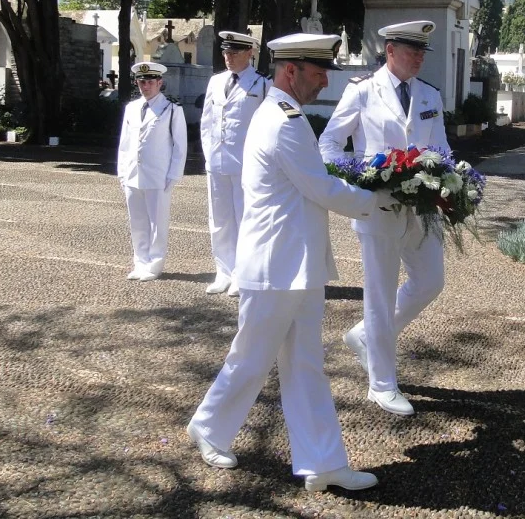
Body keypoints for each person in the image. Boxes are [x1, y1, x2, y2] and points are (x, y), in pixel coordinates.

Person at [187, 33, 386, 492]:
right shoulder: (283, 120)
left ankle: (323, 463)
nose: (323, 83)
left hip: (294, 264)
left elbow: (312, 185)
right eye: (318, 74)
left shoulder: (284, 114)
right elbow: (320, 187)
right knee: (252, 357)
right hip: (277, 265)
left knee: (304, 364)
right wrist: (380, 200)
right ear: (290, 71)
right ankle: (210, 425)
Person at [318, 20, 451, 417]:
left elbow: (440, 146)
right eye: (412, 50)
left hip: (422, 206)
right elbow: (329, 144)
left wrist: (450, 182)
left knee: (430, 281)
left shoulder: (429, 94)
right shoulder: (362, 91)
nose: (419, 58)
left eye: (423, 51)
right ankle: (382, 384)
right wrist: (358, 180)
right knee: (378, 295)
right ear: (390, 50)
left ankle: (364, 337)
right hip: (378, 208)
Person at [200, 31, 270, 295]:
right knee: (219, 220)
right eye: (226, 53)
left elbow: (266, 125)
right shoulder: (216, 82)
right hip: (217, 161)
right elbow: (207, 121)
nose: (228, 58)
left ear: (249, 53)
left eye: (234, 53)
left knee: (245, 219)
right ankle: (223, 271)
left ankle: (243, 273)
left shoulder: (262, 84)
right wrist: (208, 153)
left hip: (246, 164)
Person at [117, 62, 188, 281]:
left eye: (150, 82)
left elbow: (180, 145)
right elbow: (125, 143)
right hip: (132, 173)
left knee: (157, 222)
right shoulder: (131, 108)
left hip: (159, 174)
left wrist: (173, 174)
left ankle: (155, 264)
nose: (145, 86)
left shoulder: (171, 109)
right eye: (141, 82)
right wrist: (121, 172)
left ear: (160, 83)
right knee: (137, 221)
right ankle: (140, 262)